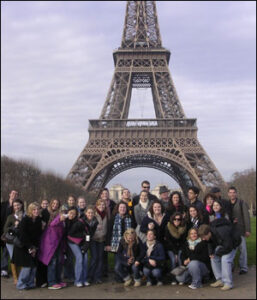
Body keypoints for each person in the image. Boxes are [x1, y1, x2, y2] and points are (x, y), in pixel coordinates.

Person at [12, 202, 43, 290]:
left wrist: (35, 248)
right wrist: (30, 247)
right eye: (34, 209)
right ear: (30, 210)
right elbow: (22, 235)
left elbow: (38, 235)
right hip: (23, 246)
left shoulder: (38, 220)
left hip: (33, 246)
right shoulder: (25, 220)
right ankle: (21, 284)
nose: (36, 211)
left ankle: (30, 283)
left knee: (33, 266)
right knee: (27, 266)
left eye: (37, 209)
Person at [199, 220, 237, 291]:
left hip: (233, 243)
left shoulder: (222, 232)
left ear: (209, 233)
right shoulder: (210, 233)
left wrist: (217, 253)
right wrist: (211, 252)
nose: (203, 239)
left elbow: (228, 247)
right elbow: (210, 242)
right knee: (213, 257)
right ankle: (220, 279)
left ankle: (228, 283)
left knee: (225, 260)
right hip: (223, 244)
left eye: (204, 236)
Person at [38, 198, 67, 290]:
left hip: (57, 241)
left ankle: (58, 280)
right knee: (53, 261)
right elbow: (52, 225)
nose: (55, 205)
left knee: (59, 261)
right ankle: (51, 282)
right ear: (50, 204)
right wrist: (59, 219)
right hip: (49, 242)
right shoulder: (47, 213)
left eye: (57, 203)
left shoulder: (59, 214)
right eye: (53, 203)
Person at [106, 201, 132, 283]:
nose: (122, 209)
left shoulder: (130, 218)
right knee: (118, 263)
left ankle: (123, 276)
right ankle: (121, 277)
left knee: (126, 262)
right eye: (121, 207)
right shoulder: (113, 219)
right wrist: (108, 244)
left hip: (128, 244)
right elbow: (109, 232)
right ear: (117, 209)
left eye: (124, 208)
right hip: (117, 244)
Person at [227, 186, 251, 275]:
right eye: (230, 192)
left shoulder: (241, 203)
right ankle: (231, 266)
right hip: (230, 231)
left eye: (233, 192)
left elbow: (246, 217)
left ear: (236, 193)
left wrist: (247, 230)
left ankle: (243, 267)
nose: (232, 194)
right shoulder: (226, 203)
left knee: (242, 249)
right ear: (228, 194)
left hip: (240, 230)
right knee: (231, 249)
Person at [3, 199, 25, 284]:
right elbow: (5, 229)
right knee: (13, 258)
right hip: (11, 241)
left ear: (21, 205)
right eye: (15, 205)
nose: (17, 207)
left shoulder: (25, 215)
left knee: (21, 258)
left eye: (18, 205)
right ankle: (16, 278)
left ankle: (21, 277)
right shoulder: (10, 217)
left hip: (21, 241)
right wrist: (14, 226)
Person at [87, 199, 109, 284]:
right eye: (100, 205)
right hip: (94, 239)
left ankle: (97, 277)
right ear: (96, 206)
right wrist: (95, 226)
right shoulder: (94, 214)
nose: (101, 206)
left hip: (102, 239)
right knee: (94, 258)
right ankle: (90, 276)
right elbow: (88, 225)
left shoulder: (106, 214)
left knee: (100, 258)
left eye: (103, 205)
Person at [163, 212, 187, 285]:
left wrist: (178, 252)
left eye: (179, 219)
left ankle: (181, 277)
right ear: (172, 219)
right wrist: (175, 253)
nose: (176, 221)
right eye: (175, 219)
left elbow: (183, 241)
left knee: (180, 259)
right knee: (173, 260)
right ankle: (173, 278)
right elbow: (168, 241)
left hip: (181, 247)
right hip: (171, 248)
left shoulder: (183, 227)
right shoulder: (168, 227)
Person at [1, 190, 18, 278]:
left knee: (8, 250)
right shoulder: (3, 204)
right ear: (9, 194)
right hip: (2, 229)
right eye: (13, 193)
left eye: (16, 194)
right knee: (4, 250)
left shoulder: (17, 206)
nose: (14, 195)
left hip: (11, 232)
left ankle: (7, 269)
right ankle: (3, 268)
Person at [99, 187, 116, 277]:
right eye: (103, 194)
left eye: (106, 193)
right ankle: (102, 271)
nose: (105, 195)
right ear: (101, 195)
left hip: (110, 228)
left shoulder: (113, 204)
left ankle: (115, 269)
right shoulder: (98, 204)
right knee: (102, 252)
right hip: (101, 230)